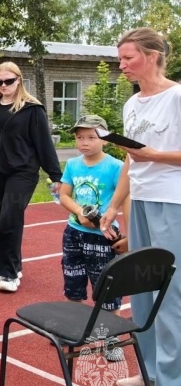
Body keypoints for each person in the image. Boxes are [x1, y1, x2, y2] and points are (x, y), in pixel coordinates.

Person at [100, 27, 181, 386]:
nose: (122, 65)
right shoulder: (133, 103)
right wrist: (114, 205)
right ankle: (151, 371)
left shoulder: (178, 96)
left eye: (128, 57)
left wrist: (154, 155)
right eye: (120, 58)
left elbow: (152, 155)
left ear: (152, 55)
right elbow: (132, 160)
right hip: (142, 202)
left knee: (172, 296)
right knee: (144, 291)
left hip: (173, 203)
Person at [0, 61, 62, 293]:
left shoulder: (32, 109)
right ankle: (8, 266)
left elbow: (44, 144)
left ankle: (9, 274)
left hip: (23, 173)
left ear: (19, 80)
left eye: (8, 81)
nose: (4, 85)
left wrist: (56, 175)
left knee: (10, 219)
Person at [58, 114, 128, 362]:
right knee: (73, 283)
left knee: (108, 289)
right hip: (74, 234)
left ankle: (111, 339)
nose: (84, 142)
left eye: (91, 137)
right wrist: (79, 212)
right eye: (79, 137)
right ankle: (74, 331)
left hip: (103, 237)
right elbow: (65, 195)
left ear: (105, 140)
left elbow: (125, 199)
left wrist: (127, 234)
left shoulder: (116, 167)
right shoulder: (73, 165)